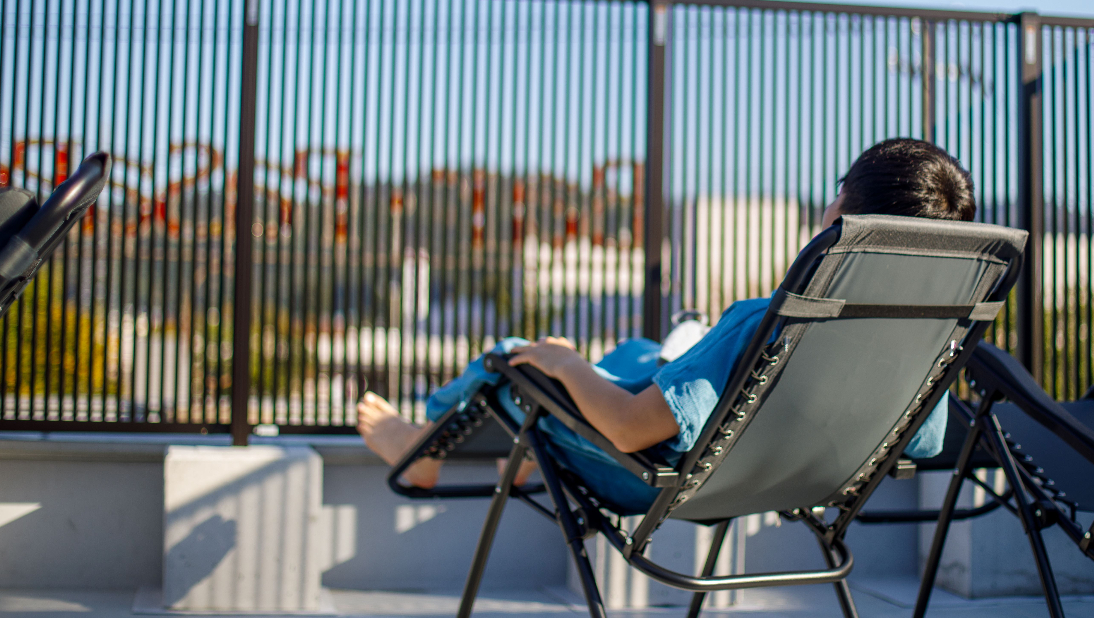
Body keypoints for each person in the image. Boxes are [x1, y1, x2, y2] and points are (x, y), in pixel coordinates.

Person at [359, 137, 977, 513]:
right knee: (640, 352)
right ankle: (530, 444)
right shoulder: (922, 344)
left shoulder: (772, 321)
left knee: (515, 355)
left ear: (844, 212)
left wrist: (564, 363)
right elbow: (919, 445)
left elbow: (629, 430)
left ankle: (421, 452)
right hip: (781, 485)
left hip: (654, 484)